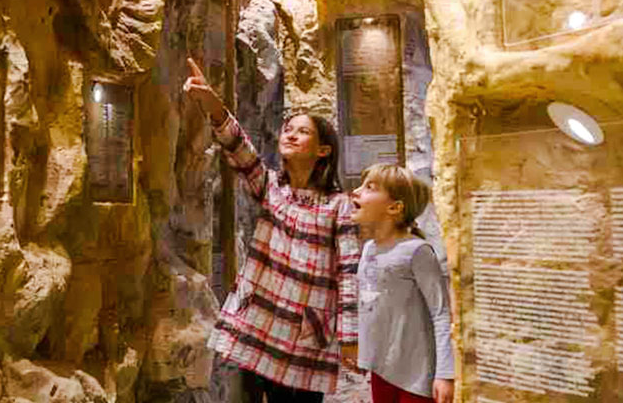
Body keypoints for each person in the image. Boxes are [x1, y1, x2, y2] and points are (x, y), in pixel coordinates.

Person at [182, 56, 358, 403]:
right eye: (288, 128)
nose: (290, 133)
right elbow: (238, 148)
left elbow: (349, 273)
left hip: (306, 333)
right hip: (260, 321)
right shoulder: (272, 189)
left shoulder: (338, 206)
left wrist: (350, 336)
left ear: (323, 150)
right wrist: (212, 104)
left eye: (302, 131)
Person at [350, 164, 454, 403]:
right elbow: (368, 304)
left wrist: (445, 374)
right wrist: (362, 350)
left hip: (416, 375)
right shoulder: (368, 249)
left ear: (395, 207)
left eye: (370, 187)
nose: (356, 191)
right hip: (382, 369)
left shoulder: (417, 251)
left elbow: (440, 313)